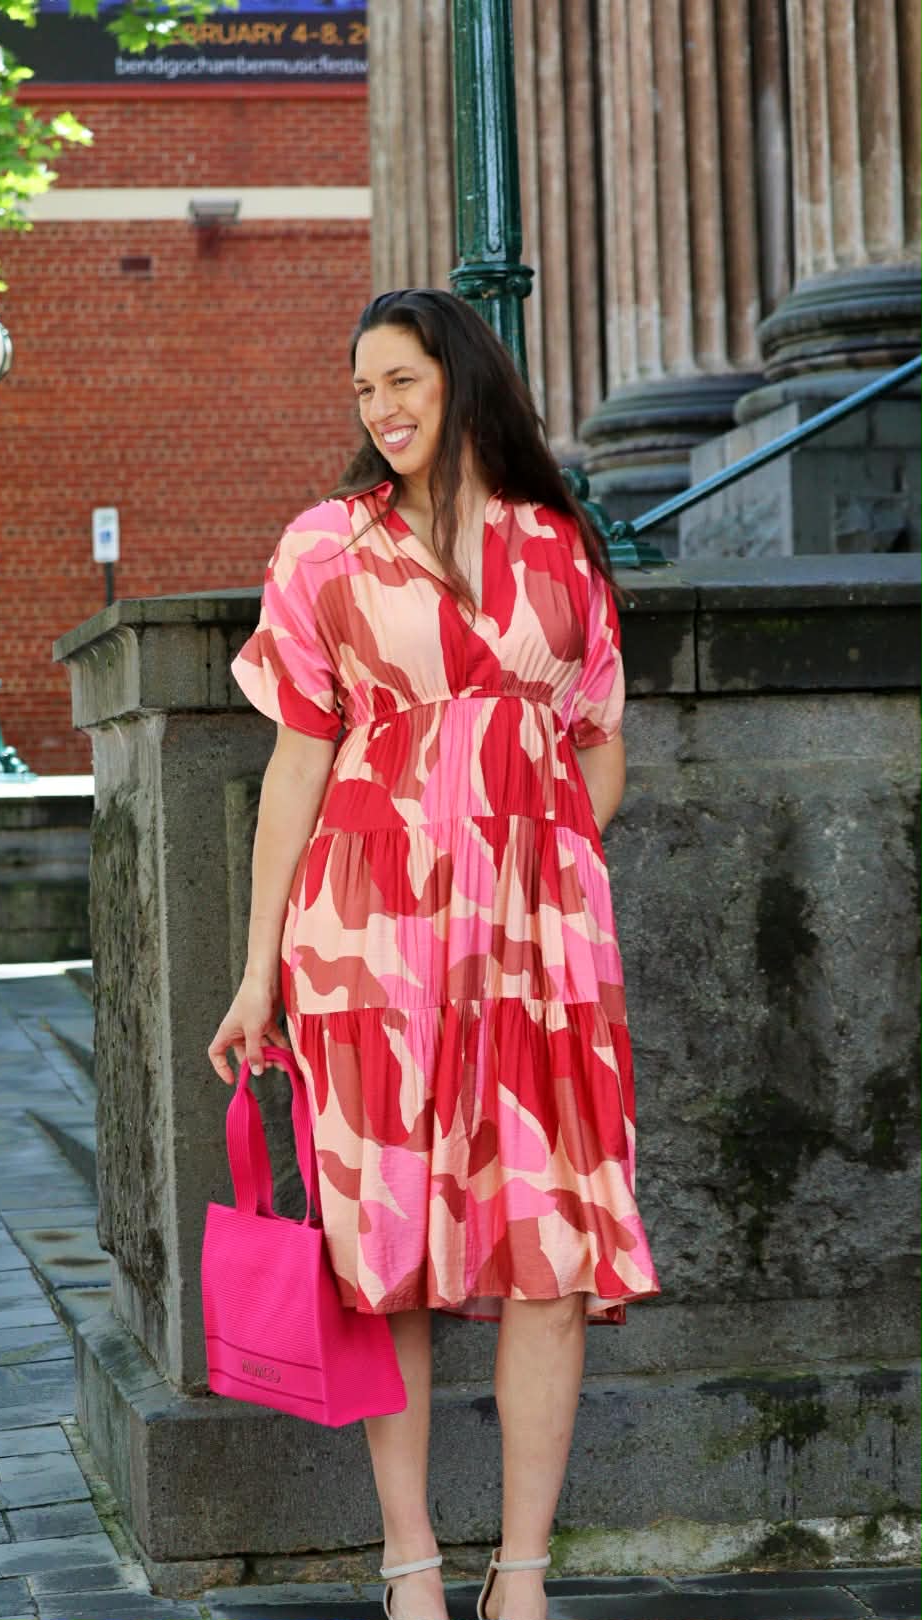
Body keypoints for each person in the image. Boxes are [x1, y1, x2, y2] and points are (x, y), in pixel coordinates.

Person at [208, 288, 660, 1620]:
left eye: (402, 381)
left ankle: (521, 1571)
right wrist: (256, 973)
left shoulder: (558, 554)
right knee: (380, 1245)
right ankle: (409, 1559)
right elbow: (297, 765)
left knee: (552, 1245)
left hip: (538, 947)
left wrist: (533, 787)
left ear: (463, 380)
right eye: (362, 392)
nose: (382, 411)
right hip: (366, 940)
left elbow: (607, 754)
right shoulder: (324, 551)